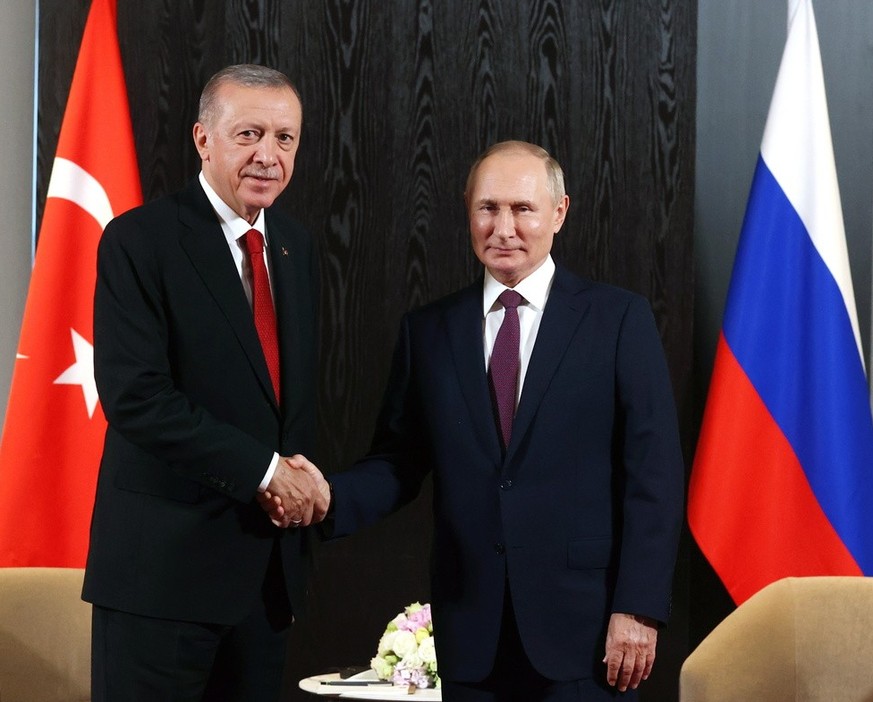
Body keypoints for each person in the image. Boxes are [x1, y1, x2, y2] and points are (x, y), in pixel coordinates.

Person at [270, 140, 684, 700]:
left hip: (586, 634)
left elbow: (653, 478)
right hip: (471, 632)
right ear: (468, 210)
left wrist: (637, 607)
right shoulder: (429, 331)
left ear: (559, 213)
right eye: (488, 208)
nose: (503, 227)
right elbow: (398, 461)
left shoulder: (618, 321)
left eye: (523, 209)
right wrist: (328, 497)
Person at [83, 64, 330, 701]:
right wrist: (269, 473)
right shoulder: (140, 241)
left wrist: (299, 478)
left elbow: (283, 403)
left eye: (285, 138)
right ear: (203, 139)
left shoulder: (296, 249)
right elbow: (137, 399)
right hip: (160, 585)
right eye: (249, 134)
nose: (269, 156)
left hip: (263, 581)